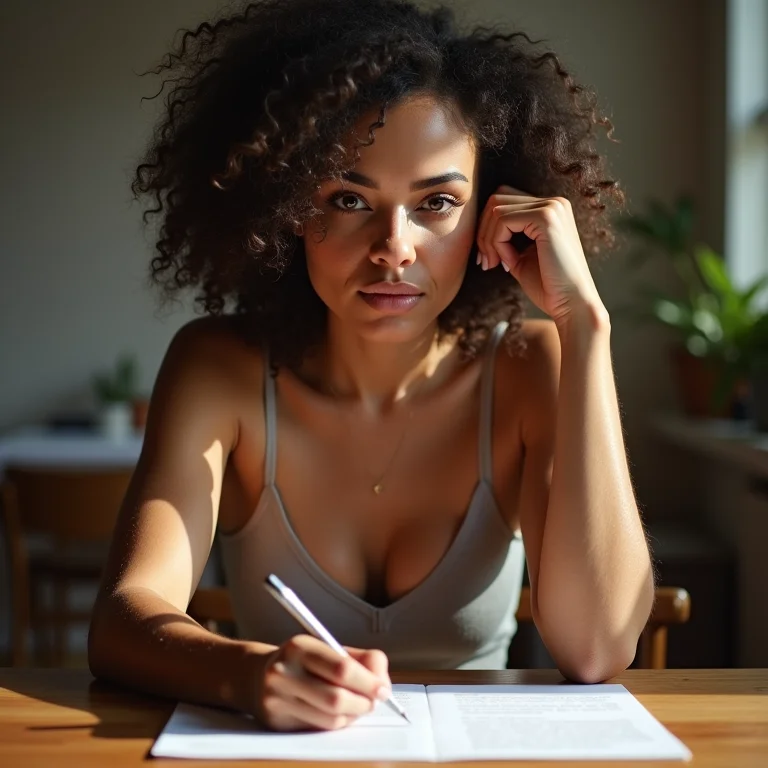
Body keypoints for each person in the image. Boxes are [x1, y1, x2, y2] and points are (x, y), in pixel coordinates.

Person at [88, 0, 654, 733]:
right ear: (288, 207)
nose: (394, 247)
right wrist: (248, 674)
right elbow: (122, 620)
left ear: (492, 210)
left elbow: (598, 646)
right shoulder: (219, 369)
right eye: (349, 198)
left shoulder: (527, 369)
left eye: (437, 202)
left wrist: (587, 327)